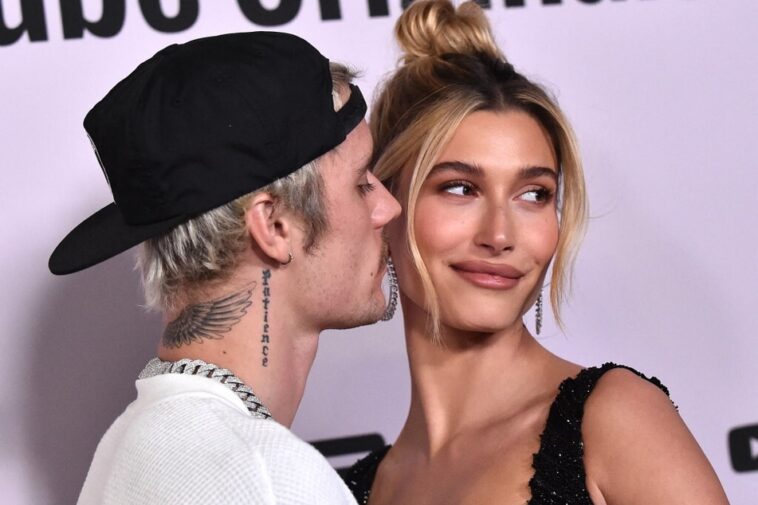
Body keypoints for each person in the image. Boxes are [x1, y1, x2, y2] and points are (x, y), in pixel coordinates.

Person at [344, 1, 729, 504]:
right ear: (384, 204)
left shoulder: (612, 421)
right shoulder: (354, 490)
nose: (500, 235)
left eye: (533, 194)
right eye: (460, 188)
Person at [48, 31, 400, 504]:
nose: (389, 208)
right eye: (361, 184)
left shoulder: (129, 445)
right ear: (273, 225)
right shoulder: (270, 478)